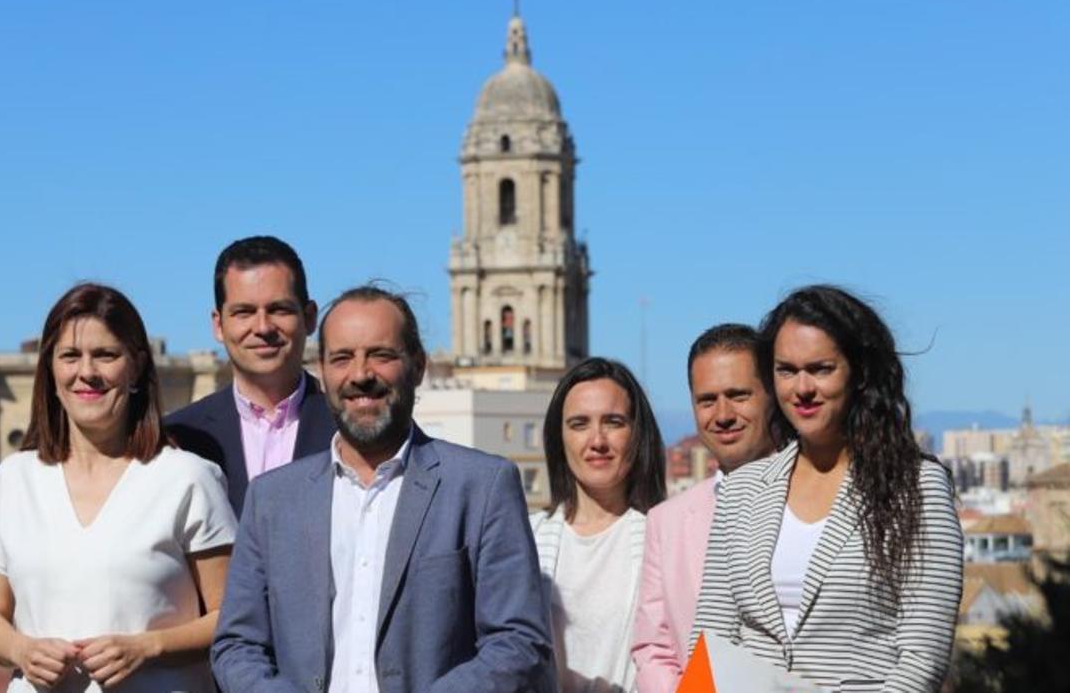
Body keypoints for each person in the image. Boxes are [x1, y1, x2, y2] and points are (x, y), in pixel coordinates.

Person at [211, 285, 556, 693]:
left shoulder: (481, 486)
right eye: (342, 358)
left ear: (418, 367)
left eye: (381, 355)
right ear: (322, 372)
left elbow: (519, 641)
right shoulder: (272, 499)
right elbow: (237, 644)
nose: (361, 374)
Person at [691, 286, 963, 690]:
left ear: (859, 373)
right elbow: (710, 640)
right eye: (786, 370)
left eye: (820, 369)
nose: (802, 388)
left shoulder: (917, 487)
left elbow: (921, 658)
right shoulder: (742, 489)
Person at [0, 283, 237, 693]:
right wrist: (22, 650)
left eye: (106, 355)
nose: (86, 372)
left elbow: (231, 615)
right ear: (51, 372)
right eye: (70, 356)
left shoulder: (188, 479)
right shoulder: (14, 480)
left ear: (135, 368)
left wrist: (149, 646)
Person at [631, 324, 776, 693]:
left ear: (772, 396)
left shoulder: (819, 498)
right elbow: (653, 646)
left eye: (739, 395)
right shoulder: (668, 521)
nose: (723, 414)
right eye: (707, 400)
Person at [166, 236, 335, 517]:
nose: (262, 327)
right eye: (244, 312)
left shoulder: (349, 429)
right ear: (218, 325)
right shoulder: (175, 439)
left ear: (309, 317)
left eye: (278, 309)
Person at [531, 358, 667, 692]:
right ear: (559, 437)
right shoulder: (527, 538)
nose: (597, 441)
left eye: (614, 422)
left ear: (637, 433)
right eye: (579, 424)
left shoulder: (664, 538)